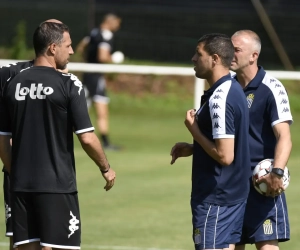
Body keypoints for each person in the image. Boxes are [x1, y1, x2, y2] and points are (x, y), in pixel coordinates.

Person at [0, 20, 116, 250]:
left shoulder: (13, 84)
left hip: (20, 186)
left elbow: (3, 140)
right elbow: (87, 137)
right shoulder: (69, 83)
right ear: (53, 48)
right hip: (57, 186)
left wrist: (18, 172)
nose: (72, 51)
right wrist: (106, 167)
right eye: (68, 45)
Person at [170, 33, 251, 250]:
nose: (193, 59)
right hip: (233, 196)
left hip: (217, 199)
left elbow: (225, 156)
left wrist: (194, 130)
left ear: (214, 59)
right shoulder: (232, 89)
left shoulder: (220, 98)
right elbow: (228, 142)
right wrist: (194, 148)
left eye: (199, 54)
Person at [230, 30, 292, 250]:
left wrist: (277, 172)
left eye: (236, 50)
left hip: (262, 182)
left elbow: (284, 136)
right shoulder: (226, 87)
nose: (231, 54)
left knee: (266, 244)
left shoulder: (272, 88)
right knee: (232, 243)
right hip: (231, 182)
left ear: (253, 55)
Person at [0, 60, 33, 250]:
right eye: (67, 45)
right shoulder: (11, 74)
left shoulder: (64, 79)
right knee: (18, 238)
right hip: (18, 169)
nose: (71, 51)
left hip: (52, 174)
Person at [76, 13, 122, 150]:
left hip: (87, 73)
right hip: (96, 76)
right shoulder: (106, 35)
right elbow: (102, 56)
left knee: (80, 108)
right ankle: (106, 143)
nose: (118, 27)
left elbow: (80, 47)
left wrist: (88, 61)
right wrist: (113, 59)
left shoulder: (93, 32)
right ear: (110, 22)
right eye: (117, 23)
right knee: (102, 110)